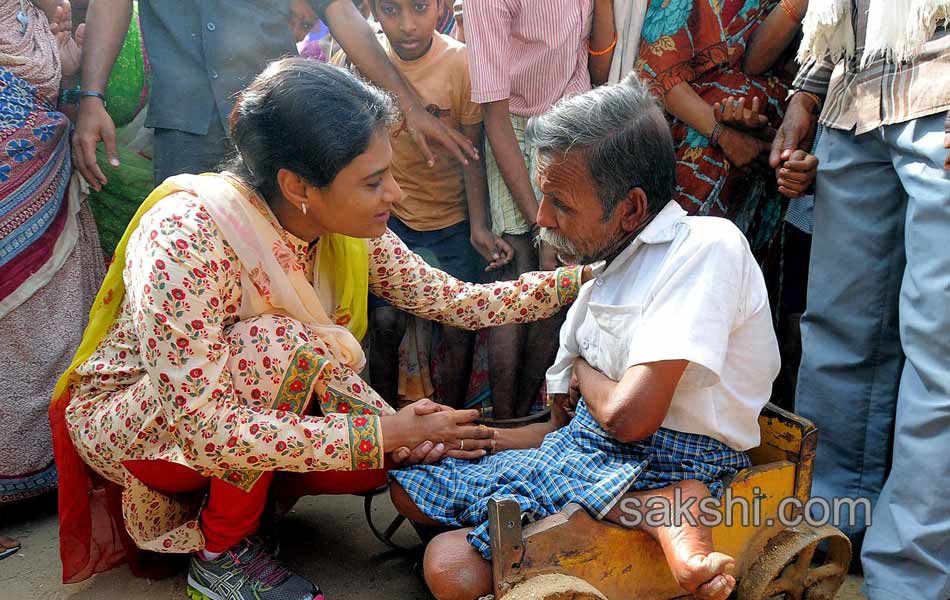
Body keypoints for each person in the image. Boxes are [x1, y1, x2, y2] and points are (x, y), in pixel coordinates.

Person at [50, 60, 589, 599]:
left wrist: (585, 277)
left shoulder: (346, 225)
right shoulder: (186, 239)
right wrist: (387, 430)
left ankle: (250, 511)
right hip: (143, 425)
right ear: (297, 184)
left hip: (233, 412)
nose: (395, 194)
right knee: (281, 347)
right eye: (374, 181)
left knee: (383, 457)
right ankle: (220, 557)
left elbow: (457, 301)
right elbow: (205, 425)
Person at [390, 75, 781, 600]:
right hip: (589, 454)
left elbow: (627, 419)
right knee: (411, 487)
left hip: (664, 459)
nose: (542, 217)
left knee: (447, 567)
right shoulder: (605, 266)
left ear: (632, 208)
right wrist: (482, 442)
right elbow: (564, 426)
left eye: (561, 203)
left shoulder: (706, 248)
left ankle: (668, 506)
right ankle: (649, 511)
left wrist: (580, 372)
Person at [771, 1, 950, 597]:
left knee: (939, 360)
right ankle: (828, 545)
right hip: (855, 95)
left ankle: (909, 580)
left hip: (942, 95)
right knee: (837, 341)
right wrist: (806, 96)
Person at [71, 0, 477, 189]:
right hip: (185, 126)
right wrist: (91, 97)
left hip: (273, 120)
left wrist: (409, 105)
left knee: (282, 259)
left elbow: (340, 13)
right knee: (186, 258)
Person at [363, 0, 512, 408]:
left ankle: (452, 418)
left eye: (420, 8)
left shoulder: (460, 64)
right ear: (372, 11)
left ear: (441, 7)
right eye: (391, 11)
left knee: (456, 325)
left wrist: (478, 226)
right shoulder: (360, 62)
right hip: (390, 218)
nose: (408, 25)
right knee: (384, 321)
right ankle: (385, 422)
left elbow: (471, 152)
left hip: (450, 219)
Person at [0, 0, 104, 561]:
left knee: (51, 338)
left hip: (47, 193)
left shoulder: (34, 15)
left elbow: (45, 86)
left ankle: (54, 469)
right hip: (15, 194)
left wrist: (68, 58)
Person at [464, 0, 593, 419]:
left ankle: (526, 417)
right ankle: (504, 422)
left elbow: (593, 62)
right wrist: (545, 222)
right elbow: (495, 117)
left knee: (559, 278)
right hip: (515, 128)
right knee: (518, 272)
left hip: (572, 125)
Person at [632, 0, 798, 259]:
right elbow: (655, 77)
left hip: (762, 157)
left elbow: (776, 69)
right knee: (671, 267)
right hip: (690, 148)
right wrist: (723, 134)